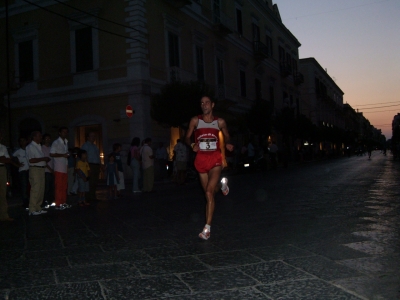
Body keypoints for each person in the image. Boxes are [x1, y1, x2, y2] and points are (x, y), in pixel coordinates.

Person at [185, 95, 234, 240]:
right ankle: (222, 185)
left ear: (212, 105)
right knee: (210, 193)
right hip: (200, 159)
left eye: (207, 103)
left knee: (208, 192)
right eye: (202, 103)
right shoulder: (195, 121)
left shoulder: (219, 122)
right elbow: (187, 137)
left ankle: (207, 229)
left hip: (215, 159)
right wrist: (192, 144)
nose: (204, 105)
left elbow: (227, 136)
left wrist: (228, 144)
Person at [25, 131, 50, 216]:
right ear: (34, 137)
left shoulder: (38, 146)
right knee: (35, 189)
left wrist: (44, 160)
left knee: (41, 188)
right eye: (39, 136)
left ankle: (38, 207)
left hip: (41, 169)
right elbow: (31, 160)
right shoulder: (30, 147)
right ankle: (32, 209)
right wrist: (43, 159)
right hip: (35, 169)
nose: (41, 137)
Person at [0, 131, 23, 221]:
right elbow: (4, 158)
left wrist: (3, 159)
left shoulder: (3, 147)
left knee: (2, 193)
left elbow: (8, 160)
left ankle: (4, 215)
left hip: (2, 169)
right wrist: (2, 158)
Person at [50, 127, 71, 210]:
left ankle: (63, 202)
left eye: (66, 132)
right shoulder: (56, 142)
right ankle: (58, 204)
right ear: (59, 133)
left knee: (64, 186)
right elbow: (52, 154)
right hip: (58, 167)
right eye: (63, 132)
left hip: (64, 167)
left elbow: (66, 155)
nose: (65, 133)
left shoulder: (66, 142)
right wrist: (63, 155)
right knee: (59, 186)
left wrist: (67, 165)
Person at [81, 132, 101, 202]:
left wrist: (100, 165)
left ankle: (93, 196)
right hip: (90, 165)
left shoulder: (95, 146)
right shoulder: (86, 145)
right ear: (88, 137)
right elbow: (84, 156)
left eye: (94, 136)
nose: (93, 137)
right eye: (92, 136)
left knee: (95, 182)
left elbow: (98, 156)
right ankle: (88, 197)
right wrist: (87, 166)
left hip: (96, 165)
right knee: (90, 182)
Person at [13, 137, 30, 210]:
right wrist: (17, 164)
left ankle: (30, 200)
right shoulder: (18, 151)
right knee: (24, 187)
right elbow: (11, 158)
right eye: (21, 141)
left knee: (30, 186)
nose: (23, 142)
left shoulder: (29, 149)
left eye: (24, 140)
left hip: (30, 170)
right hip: (23, 170)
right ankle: (25, 202)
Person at [41, 133, 54, 206]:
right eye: (46, 138)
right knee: (46, 187)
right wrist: (50, 169)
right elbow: (44, 161)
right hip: (46, 170)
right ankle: (44, 201)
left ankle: (50, 200)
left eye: (49, 138)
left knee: (51, 187)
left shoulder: (51, 148)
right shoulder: (42, 148)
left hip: (51, 170)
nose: (48, 140)